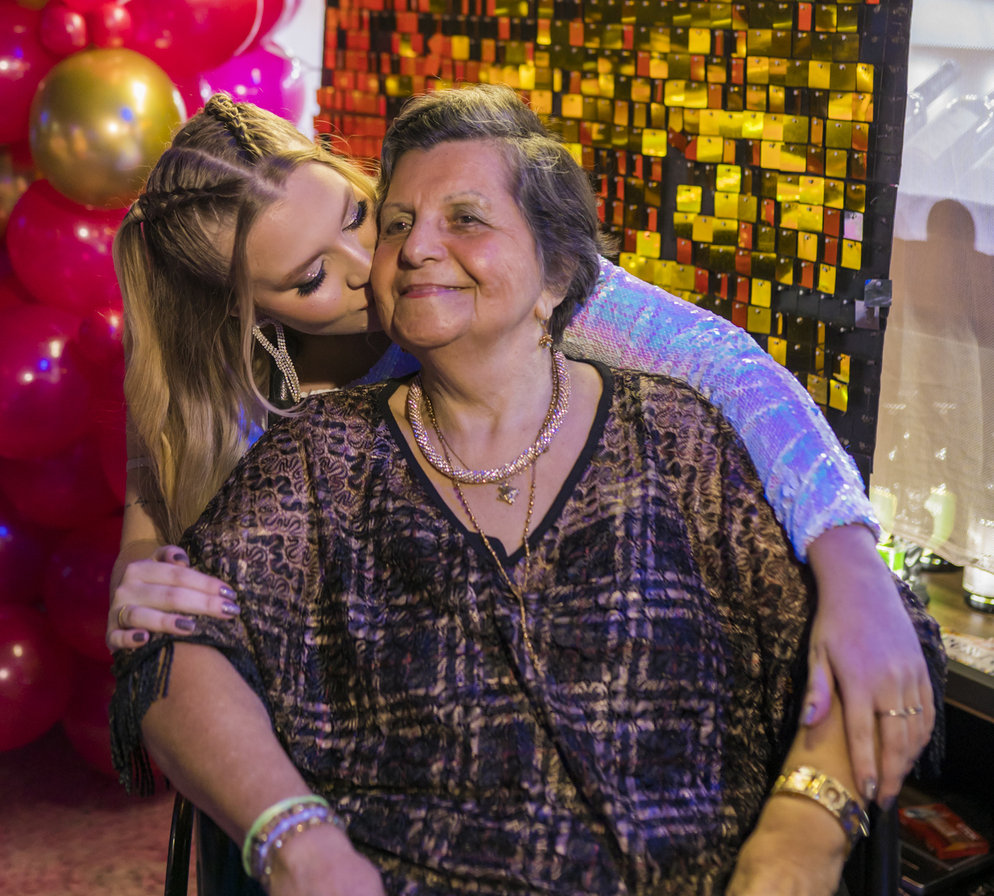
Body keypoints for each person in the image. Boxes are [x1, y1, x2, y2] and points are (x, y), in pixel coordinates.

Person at [111, 87, 941, 896]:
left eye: (376, 215)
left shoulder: (669, 428)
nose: (396, 256)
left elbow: (745, 379)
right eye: (382, 235)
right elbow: (177, 642)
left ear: (556, 277)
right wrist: (293, 836)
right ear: (261, 316)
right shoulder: (313, 452)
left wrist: (808, 815)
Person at [110, 94, 931, 806]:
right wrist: (139, 571)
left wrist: (850, 562)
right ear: (246, 317)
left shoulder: (508, 279)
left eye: (360, 215)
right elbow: (155, 492)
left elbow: (729, 369)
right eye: (309, 277)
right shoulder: (220, 393)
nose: (372, 268)